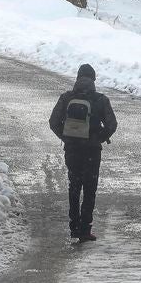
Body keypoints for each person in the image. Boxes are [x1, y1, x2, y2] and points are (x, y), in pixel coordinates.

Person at [49, 64, 117, 242]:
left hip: (72, 150)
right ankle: (85, 230)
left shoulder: (66, 98)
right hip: (92, 151)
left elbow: (53, 121)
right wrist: (99, 138)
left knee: (74, 186)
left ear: (78, 78)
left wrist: (66, 137)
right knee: (89, 190)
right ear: (93, 79)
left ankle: (74, 228)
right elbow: (112, 124)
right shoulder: (100, 100)